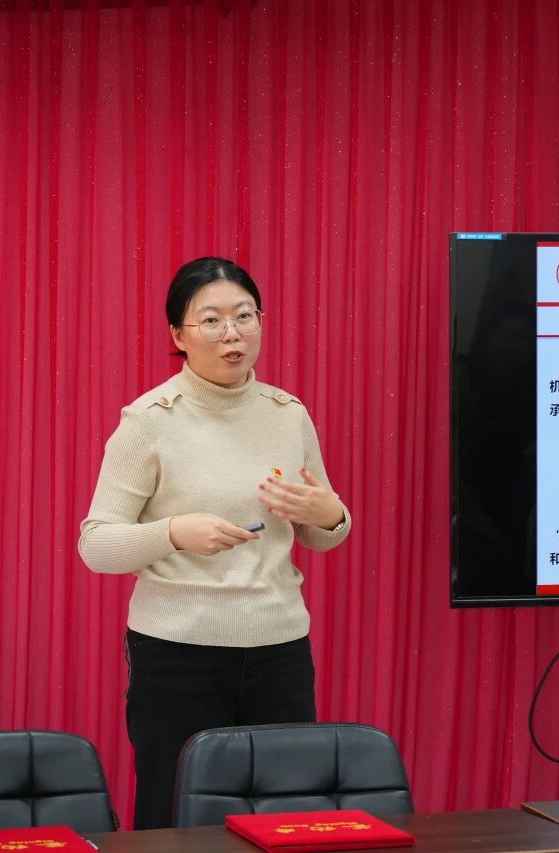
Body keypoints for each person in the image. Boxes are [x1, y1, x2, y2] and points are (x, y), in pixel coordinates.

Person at [78, 257, 351, 829]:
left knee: (285, 812)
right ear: (178, 335)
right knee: (175, 813)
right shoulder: (149, 420)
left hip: (280, 648)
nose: (232, 333)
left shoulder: (288, 414)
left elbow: (320, 533)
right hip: (178, 654)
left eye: (244, 316)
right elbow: (96, 545)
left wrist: (331, 514)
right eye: (211, 320)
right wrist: (173, 532)